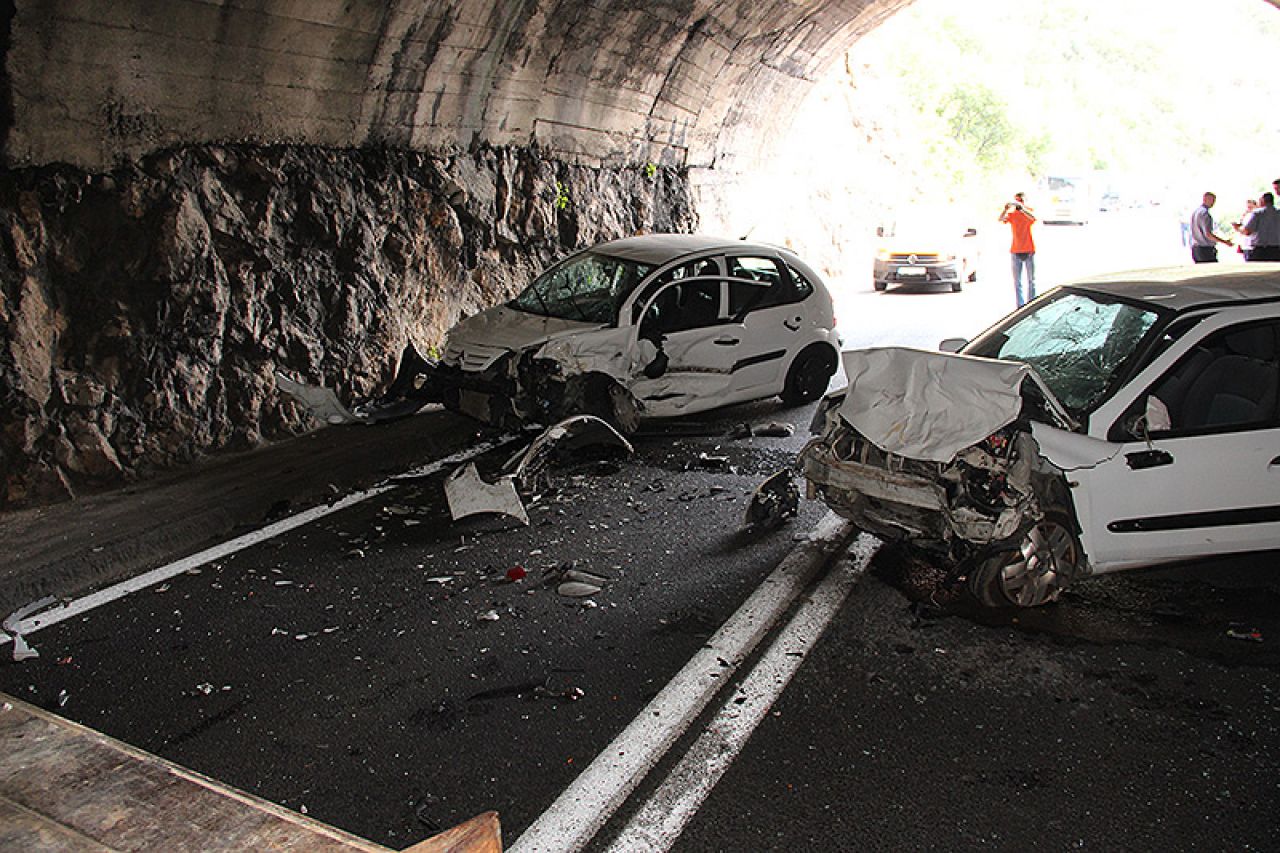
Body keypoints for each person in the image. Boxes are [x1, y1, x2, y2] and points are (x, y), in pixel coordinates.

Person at [998, 192, 1037, 307]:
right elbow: (1001, 219)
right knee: (1017, 282)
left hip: (1028, 250)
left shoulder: (1028, 213)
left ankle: (1032, 303)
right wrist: (1005, 209)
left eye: (1020, 201)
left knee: (1031, 280)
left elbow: (1034, 218)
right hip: (1015, 251)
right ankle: (1020, 306)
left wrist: (1023, 209)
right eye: (1017, 201)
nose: (1018, 203)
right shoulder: (1012, 215)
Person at [1189, 192, 1232, 263]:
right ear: (1205, 199)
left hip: (1196, 248)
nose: (1213, 203)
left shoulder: (1195, 212)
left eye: (1214, 200)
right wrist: (1225, 242)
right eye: (1211, 200)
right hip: (1205, 249)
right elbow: (1208, 234)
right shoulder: (1205, 214)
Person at [1241, 192, 1280, 261]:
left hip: (1260, 250)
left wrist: (1239, 229)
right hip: (1276, 249)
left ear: (1262, 201)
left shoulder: (1257, 214)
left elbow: (1247, 231)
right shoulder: (1278, 213)